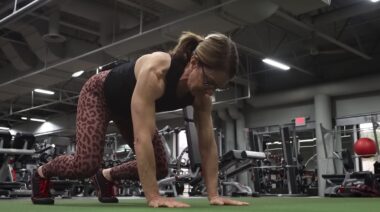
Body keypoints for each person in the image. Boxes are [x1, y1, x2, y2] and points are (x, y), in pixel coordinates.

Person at [31, 31, 249, 208]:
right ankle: (41, 173)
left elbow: (208, 146)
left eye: (217, 88)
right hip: (100, 94)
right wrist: (153, 196)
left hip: (128, 107)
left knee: (161, 167)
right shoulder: (158, 71)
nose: (210, 92)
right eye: (209, 82)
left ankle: (105, 177)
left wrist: (214, 195)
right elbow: (141, 139)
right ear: (194, 62)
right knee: (85, 165)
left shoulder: (202, 96)